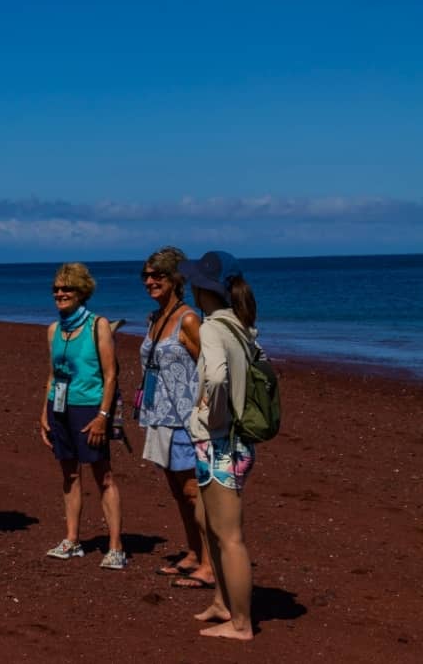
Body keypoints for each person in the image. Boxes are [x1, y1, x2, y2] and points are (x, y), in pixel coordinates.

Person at [179, 250, 261, 640]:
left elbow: (215, 376)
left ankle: (241, 623)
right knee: (206, 520)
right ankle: (222, 602)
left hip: (220, 443)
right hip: (234, 442)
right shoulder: (242, 327)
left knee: (229, 537)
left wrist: (209, 415)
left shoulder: (212, 327)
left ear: (203, 287)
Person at [39, 263, 127, 569]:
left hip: (89, 407)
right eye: (57, 289)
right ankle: (72, 539)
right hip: (59, 408)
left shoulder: (97, 325)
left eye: (67, 289)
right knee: (69, 474)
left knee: (103, 475)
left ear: (81, 292)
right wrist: (44, 413)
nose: (60, 294)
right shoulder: (54, 330)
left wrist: (104, 414)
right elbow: (52, 375)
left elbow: (110, 374)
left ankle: (115, 547)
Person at [138, 247, 214, 589]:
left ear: (175, 279)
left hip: (185, 420)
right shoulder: (154, 319)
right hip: (158, 416)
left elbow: (210, 368)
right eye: (146, 275)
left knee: (194, 493)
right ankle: (194, 553)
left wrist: (204, 413)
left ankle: (210, 565)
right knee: (177, 492)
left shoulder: (188, 319)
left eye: (158, 275)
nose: (150, 281)